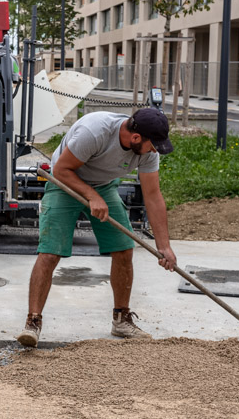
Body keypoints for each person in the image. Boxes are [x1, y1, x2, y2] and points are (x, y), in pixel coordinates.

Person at [16, 108, 178, 347]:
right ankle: (33, 322)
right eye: (152, 145)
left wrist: (164, 246)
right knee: (50, 251)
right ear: (135, 138)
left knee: (124, 248)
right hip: (65, 181)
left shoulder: (147, 152)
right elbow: (61, 169)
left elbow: (153, 197)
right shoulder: (94, 131)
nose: (154, 150)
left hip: (103, 186)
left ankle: (121, 319)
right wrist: (91, 196)